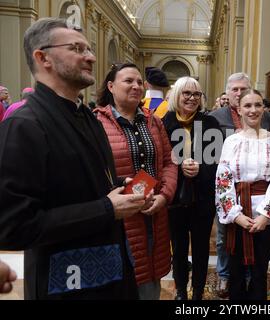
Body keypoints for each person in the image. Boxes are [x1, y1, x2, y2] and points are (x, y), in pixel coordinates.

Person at [0, 17, 146, 299]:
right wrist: (107, 208)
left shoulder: (87, 118)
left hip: (113, 272)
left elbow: (77, 182)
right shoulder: (23, 124)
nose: (90, 56)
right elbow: (13, 225)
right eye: (77, 49)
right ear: (43, 57)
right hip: (65, 282)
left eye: (88, 49)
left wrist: (120, 187)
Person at [95, 62, 178, 300]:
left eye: (140, 82)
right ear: (111, 86)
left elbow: (169, 163)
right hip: (118, 218)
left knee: (150, 280)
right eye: (128, 81)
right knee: (120, 281)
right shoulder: (96, 123)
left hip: (154, 213)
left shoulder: (154, 121)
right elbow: (93, 171)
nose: (136, 86)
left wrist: (164, 196)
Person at [215, 89, 270, 300]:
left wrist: (265, 216)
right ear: (239, 110)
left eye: (258, 105)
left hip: (264, 216)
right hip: (237, 216)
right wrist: (235, 214)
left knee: (260, 271)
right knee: (236, 272)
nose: (253, 110)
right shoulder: (231, 142)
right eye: (247, 106)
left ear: (264, 108)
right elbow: (223, 180)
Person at [162, 76, 220, 300]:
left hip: (203, 198)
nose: (192, 98)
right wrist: (179, 169)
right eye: (187, 93)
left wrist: (199, 168)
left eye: (197, 94)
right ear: (177, 95)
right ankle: (179, 290)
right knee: (178, 247)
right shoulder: (164, 123)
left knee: (201, 248)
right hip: (175, 198)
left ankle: (197, 291)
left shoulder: (210, 123)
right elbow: (160, 162)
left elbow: (216, 162)